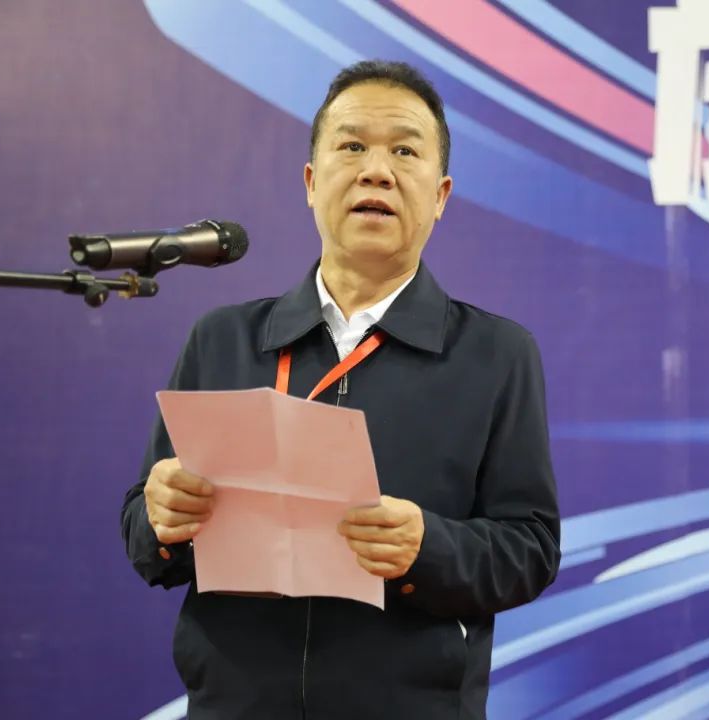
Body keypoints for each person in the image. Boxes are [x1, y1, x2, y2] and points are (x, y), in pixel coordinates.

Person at [120, 60, 561, 719]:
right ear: (310, 181)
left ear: (440, 195)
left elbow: (530, 549)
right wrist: (161, 518)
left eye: (404, 151)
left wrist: (428, 547)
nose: (376, 171)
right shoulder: (223, 340)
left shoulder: (496, 354)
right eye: (351, 146)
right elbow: (146, 540)